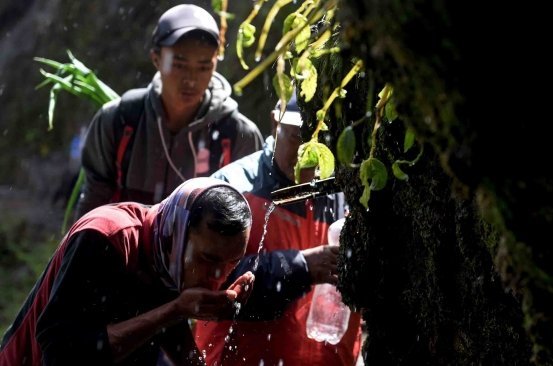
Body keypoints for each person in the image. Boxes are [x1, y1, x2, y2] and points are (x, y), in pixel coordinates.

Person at [0, 177, 255, 366]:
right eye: (208, 259)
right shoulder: (105, 238)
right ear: (176, 234)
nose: (218, 276)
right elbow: (61, 352)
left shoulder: (168, 261)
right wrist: (175, 310)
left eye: (232, 262)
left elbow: (170, 331)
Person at [194, 92, 362, 365]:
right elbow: (206, 282)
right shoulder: (231, 190)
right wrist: (299, 267)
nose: (308, 156)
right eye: (298, 137)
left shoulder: (347, 198)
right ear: (275, 123)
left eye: (321, 142)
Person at [75, 4, 264, 219]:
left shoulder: (238, 135)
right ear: (156, 58)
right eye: (179, 64)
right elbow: (93, 202)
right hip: (123, 249)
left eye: (204, 67)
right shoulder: (118, 120)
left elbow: (246, 221)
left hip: (197, 253)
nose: (191, 80)